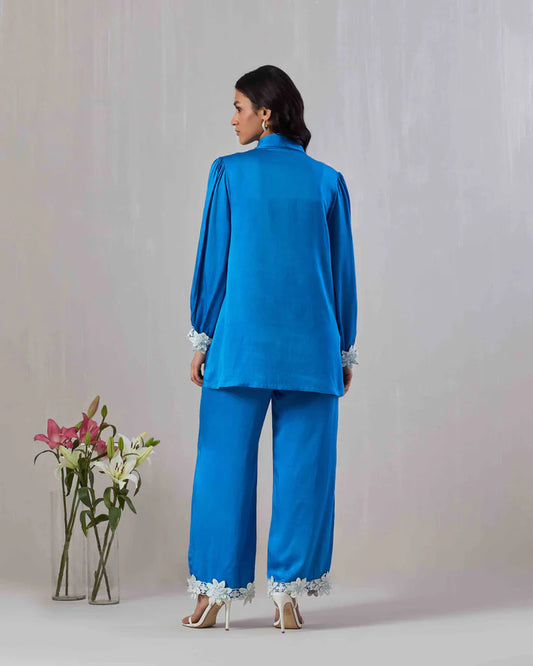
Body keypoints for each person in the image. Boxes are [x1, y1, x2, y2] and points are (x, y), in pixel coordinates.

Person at [182, 65, 358, 632]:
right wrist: (344, 350)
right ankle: (288, 595)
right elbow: (341, 274)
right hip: (313, 347)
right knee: (305, 471)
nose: (232, 119)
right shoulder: (328, 181)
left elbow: (214, 261)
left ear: (267, 112)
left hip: (240, 344)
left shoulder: (229, 173)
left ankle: (214, 596)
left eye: (239, 107)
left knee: (222, 467)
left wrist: (202, 336)